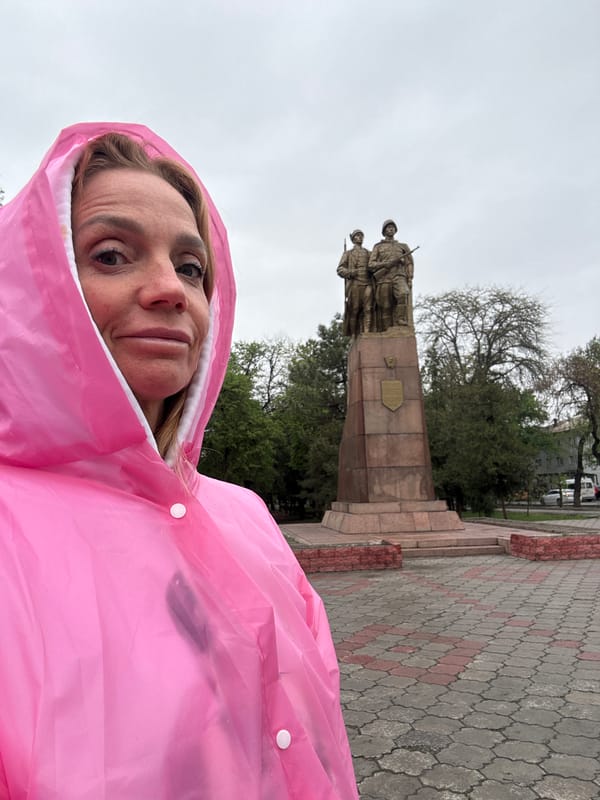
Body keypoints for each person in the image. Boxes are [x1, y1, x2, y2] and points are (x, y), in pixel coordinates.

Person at [0, 122, 359, 800]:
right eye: (112, 255)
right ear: (31, 287)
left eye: (192, 268)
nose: (171, 289)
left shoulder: (244, 513)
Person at [368, 219, 414, 331]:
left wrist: (410, 277)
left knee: (403, 294)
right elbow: (371, 264)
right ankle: (386, 329)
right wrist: (385, 264)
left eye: (393, 227)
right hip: (384, 278)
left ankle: (400, 320)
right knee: (385, 305)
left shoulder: (403, 246)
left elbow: (409, 263)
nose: (391, 229)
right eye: (388, 227)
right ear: (384, 231)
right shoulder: (378, 247)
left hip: (399, 275)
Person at [336, 229, 372, 335]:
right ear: (353, 239)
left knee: (368, 309)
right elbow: (340, 269)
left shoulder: (368, 253)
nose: (360, 237)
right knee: (355, 309)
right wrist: (350, 272)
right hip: (355, 284)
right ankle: (353, 335)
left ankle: (367, 333)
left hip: (367, 283)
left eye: (361, 235)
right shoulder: (348, 254)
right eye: (357, 235)